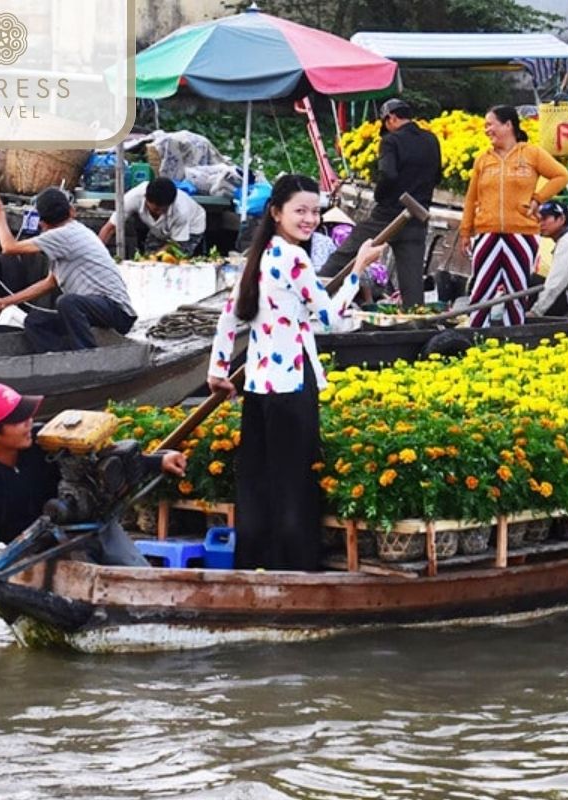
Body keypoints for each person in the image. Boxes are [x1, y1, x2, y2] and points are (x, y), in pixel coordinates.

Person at [206, 174, 382, 572]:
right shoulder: (295, 257)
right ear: (276, 213)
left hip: (258, 383)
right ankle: (295, 568)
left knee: (259, 479)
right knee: (293, 482)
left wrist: (218, 370)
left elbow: (229, 318)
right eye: (300, 210)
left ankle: (256, 563)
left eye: (315, 211)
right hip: (291, 384)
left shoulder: (262, 254)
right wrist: (358, 269)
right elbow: (331, 320)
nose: (310, 219)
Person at [0, 382, 187, 581]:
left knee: (140, 579)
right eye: (19, 420)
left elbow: (101, 461)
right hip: (31, 549)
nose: (30, 422)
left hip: (90, 527)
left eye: (28, 416)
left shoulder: (46, 440)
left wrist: (158, 462)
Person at [0, 187, 137, 352]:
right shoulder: (66, 235)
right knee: (35, 321)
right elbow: (49, 283)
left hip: (118, 313)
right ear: (72, 211)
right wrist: (5, 302)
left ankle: (86, 356)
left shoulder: (65, 234)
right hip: (94, 310)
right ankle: (60, 357)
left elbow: (8, 247)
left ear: (43, 223)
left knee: (67, 302)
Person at [322, 98, 441, 308]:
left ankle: (314, 291)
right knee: (412, 282)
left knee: (344, 255)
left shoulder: (391, 141)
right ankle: (415, 325)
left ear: (392, 118)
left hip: (387, 215)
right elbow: (437, 175)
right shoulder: (431, 140)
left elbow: (388, 174)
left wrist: (380, 196)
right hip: (416, 217)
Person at [459, 105, 568, 327]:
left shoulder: (532, 153)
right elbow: (471, 198)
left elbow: (561, 176)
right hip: (487, 233)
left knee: (517, 291)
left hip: (521, 234)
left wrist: (538, 198)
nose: (487, 130)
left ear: (508, 125)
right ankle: (476, 337)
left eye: (490, 124)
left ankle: (513, 338)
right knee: (482, 289)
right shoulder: (483, 159)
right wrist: (465, 231)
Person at [98, 177, 207, 256]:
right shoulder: (132, 198)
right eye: (155, 209)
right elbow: (110, 228)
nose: (159, 213)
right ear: (146, 198)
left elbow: (177, 244)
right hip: (159, 229)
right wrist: (94, 254)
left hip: (192, 227)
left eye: (163, 210)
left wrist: (153, 259)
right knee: (149, 254)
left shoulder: (181, 210)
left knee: (175, 260)